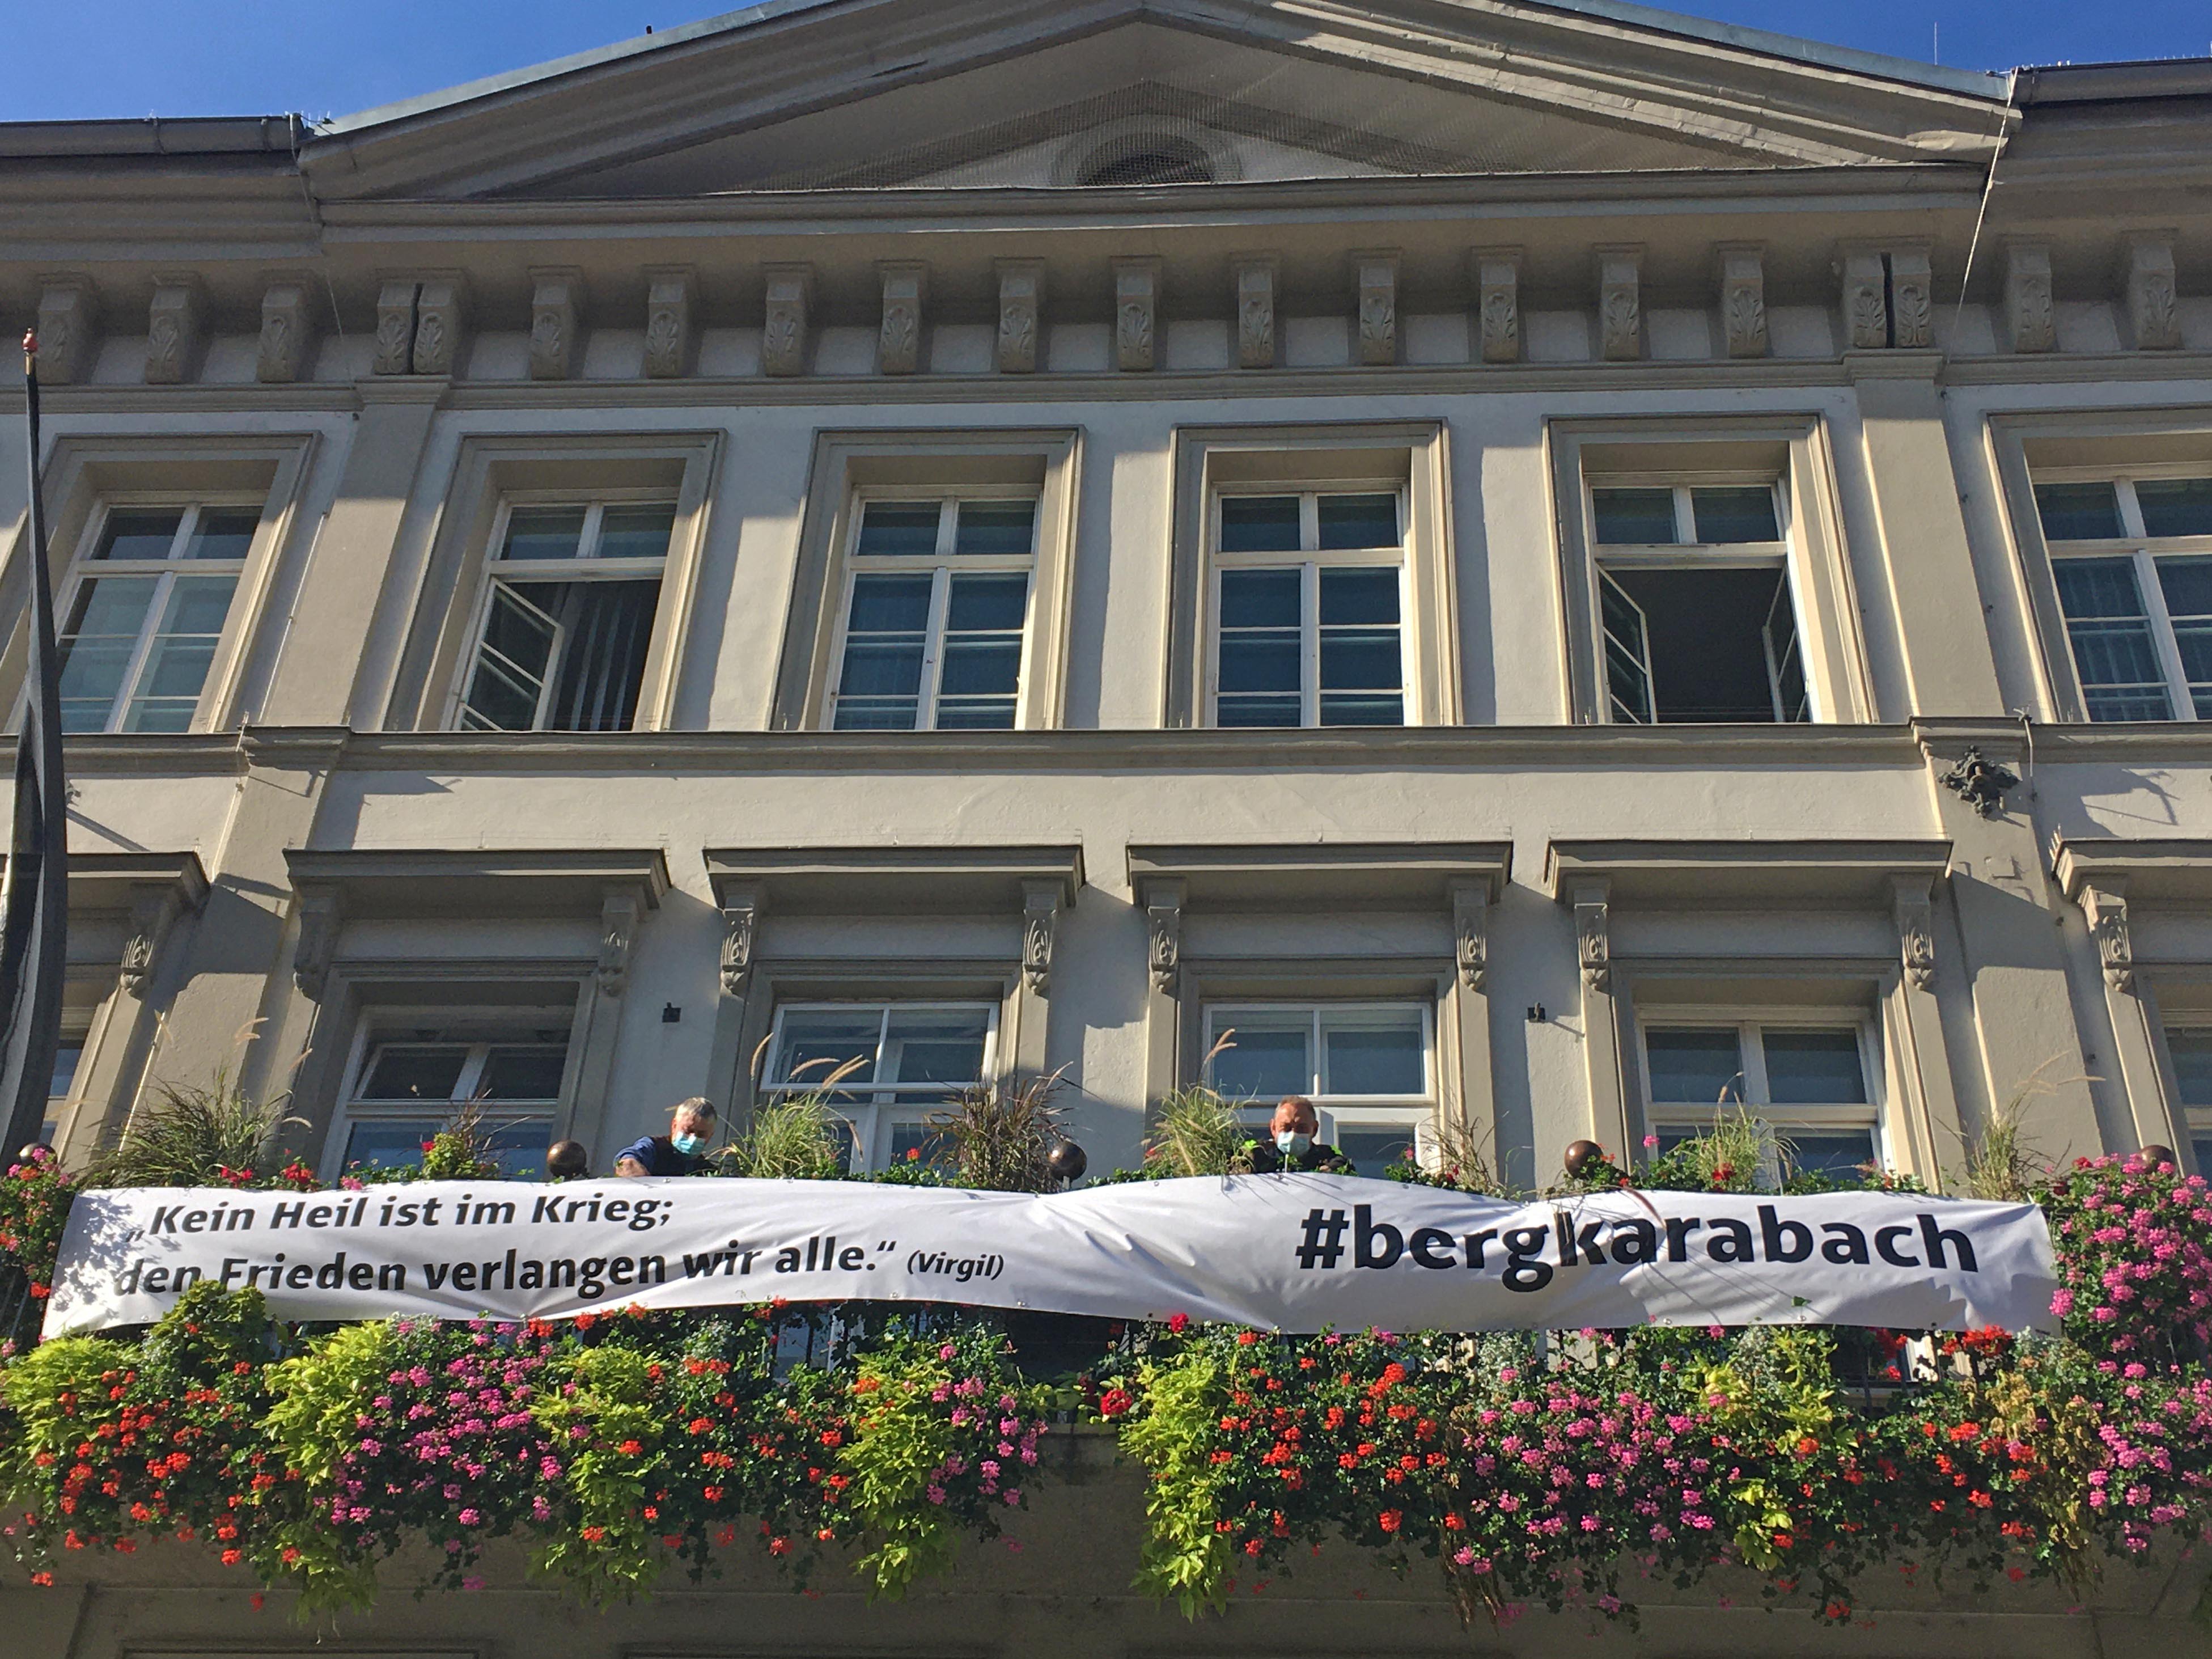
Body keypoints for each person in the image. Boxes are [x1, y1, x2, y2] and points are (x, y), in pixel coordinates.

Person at [1242, 1095, 1353, 1174]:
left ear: (1314, 1129)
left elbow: (1345, 1164)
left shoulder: (1328, 1154)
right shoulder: (1257, 1150)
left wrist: (1328, 1169)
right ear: (1274, 1128)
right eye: (1286, 1128)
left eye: (1302, 1128)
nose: (1293, 1134)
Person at [612, 1097, 718, 1177]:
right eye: (688, 1131)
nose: (693, 1138)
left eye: (701, 1135)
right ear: (674, 1125)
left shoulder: (708, 1173)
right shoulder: (654, 1148)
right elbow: (626, 1162)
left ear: (711, 1136)